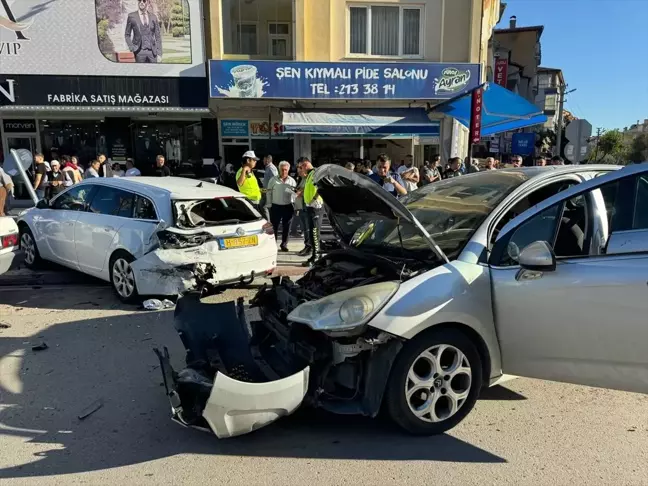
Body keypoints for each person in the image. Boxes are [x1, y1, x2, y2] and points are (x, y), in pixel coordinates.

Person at [297, 158, 323, 266]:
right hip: (310, 206)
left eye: (301, 166)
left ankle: (316, 256)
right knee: (312, 232)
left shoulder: (315, 173)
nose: (300, 169)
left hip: (315, 207)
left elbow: (320, 187)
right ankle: (316, 255)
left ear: (306, 164)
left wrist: (314, 199)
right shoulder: (309, 175)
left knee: (314, 233)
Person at [266, 161, 297, 252]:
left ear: (288, 170)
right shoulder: (273, 180)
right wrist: (269, 204)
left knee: (286, 227)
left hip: (288, 206)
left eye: (285, 170)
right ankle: (273, 244)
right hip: (276, 206)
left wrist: (295, 203)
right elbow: (268, 192)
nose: (284, 172)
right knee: (274, 227)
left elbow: (295, 194)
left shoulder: (292, 181)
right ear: (279, 169)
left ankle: (284, 244)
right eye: (282, 170)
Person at [261, 155, 278, 220]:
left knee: (264, 207)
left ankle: (269, 222)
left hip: (269, 191)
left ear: (267, 160)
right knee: (265, 207)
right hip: (266, 191)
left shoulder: (271, 168)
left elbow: (275, 179)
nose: (263, 161)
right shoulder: (268, 167)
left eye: (264, 159)